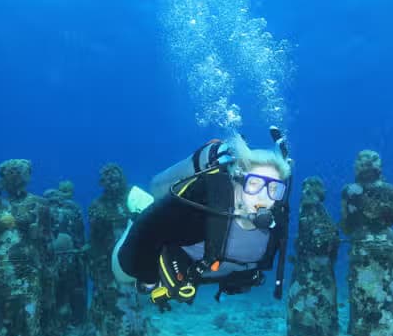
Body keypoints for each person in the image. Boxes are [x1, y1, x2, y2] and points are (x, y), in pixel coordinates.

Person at [112, 127, 292, 310]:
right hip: (159, 239)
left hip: (203, 270)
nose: (263, 196)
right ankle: (138, 210)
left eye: (274, 188)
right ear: (237, 182)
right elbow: (148, 229)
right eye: (254, 184)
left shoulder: (276, 221)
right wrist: (149, 279)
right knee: (122, 274)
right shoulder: (204, 208)